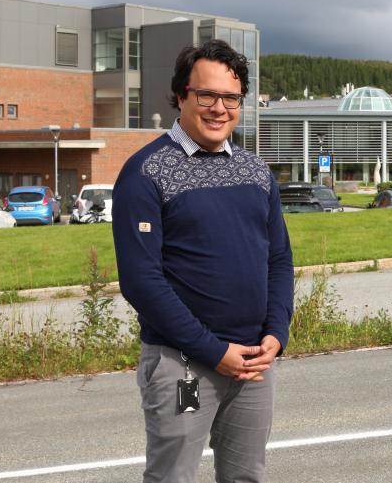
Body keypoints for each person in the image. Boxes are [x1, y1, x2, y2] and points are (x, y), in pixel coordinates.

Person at [113, 39, 294, 483]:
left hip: (253, 363)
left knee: (246, 477)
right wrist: (214, 351)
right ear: (180, 95)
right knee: (173, 477)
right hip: (184, 366)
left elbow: (279, 260)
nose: (219, 108)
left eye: (230, 97)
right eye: (206, 95)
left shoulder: (255, 172)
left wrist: (276, 333)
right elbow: (141, 282)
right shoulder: (146, 172)